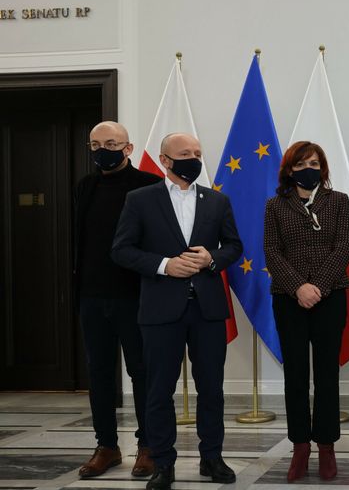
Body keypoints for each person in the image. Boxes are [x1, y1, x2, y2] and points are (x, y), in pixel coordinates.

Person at [112, 132, 243, 490]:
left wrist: (212, 258)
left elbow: (234, 246)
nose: (194, 158)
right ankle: (163, 463)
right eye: (185, 153)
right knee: (158, 391)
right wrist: (164, 265)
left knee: (212, 390)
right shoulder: (139, 199)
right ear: (165, 160)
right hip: (159, 310)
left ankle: (212, 458)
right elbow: (121, 250)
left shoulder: (217, 200)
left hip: (208, 310)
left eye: (198, 153)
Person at [74, 121, 160, 479]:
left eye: (110, 143)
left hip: (136, 296)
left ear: (127, 148)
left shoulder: (149, 185)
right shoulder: (86, 186)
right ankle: (106, 445)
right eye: (95, 145)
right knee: (99, 373)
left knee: (142, 372)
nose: (101, 151)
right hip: (93, 295)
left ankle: (149, 445)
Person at [263, 141, 349, 482]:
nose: (307, 169)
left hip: (330, 298)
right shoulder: (275, 206)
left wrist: (320, 286)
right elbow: (271, 250)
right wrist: (298, 286)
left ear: (323, 167)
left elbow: (345, 244)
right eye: (300, 164)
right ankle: (300, 446)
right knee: (296, 376)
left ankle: (326, 446)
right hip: (289, 298)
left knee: (327, 374)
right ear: (289, 170)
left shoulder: (339, 201)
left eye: (314, 162)